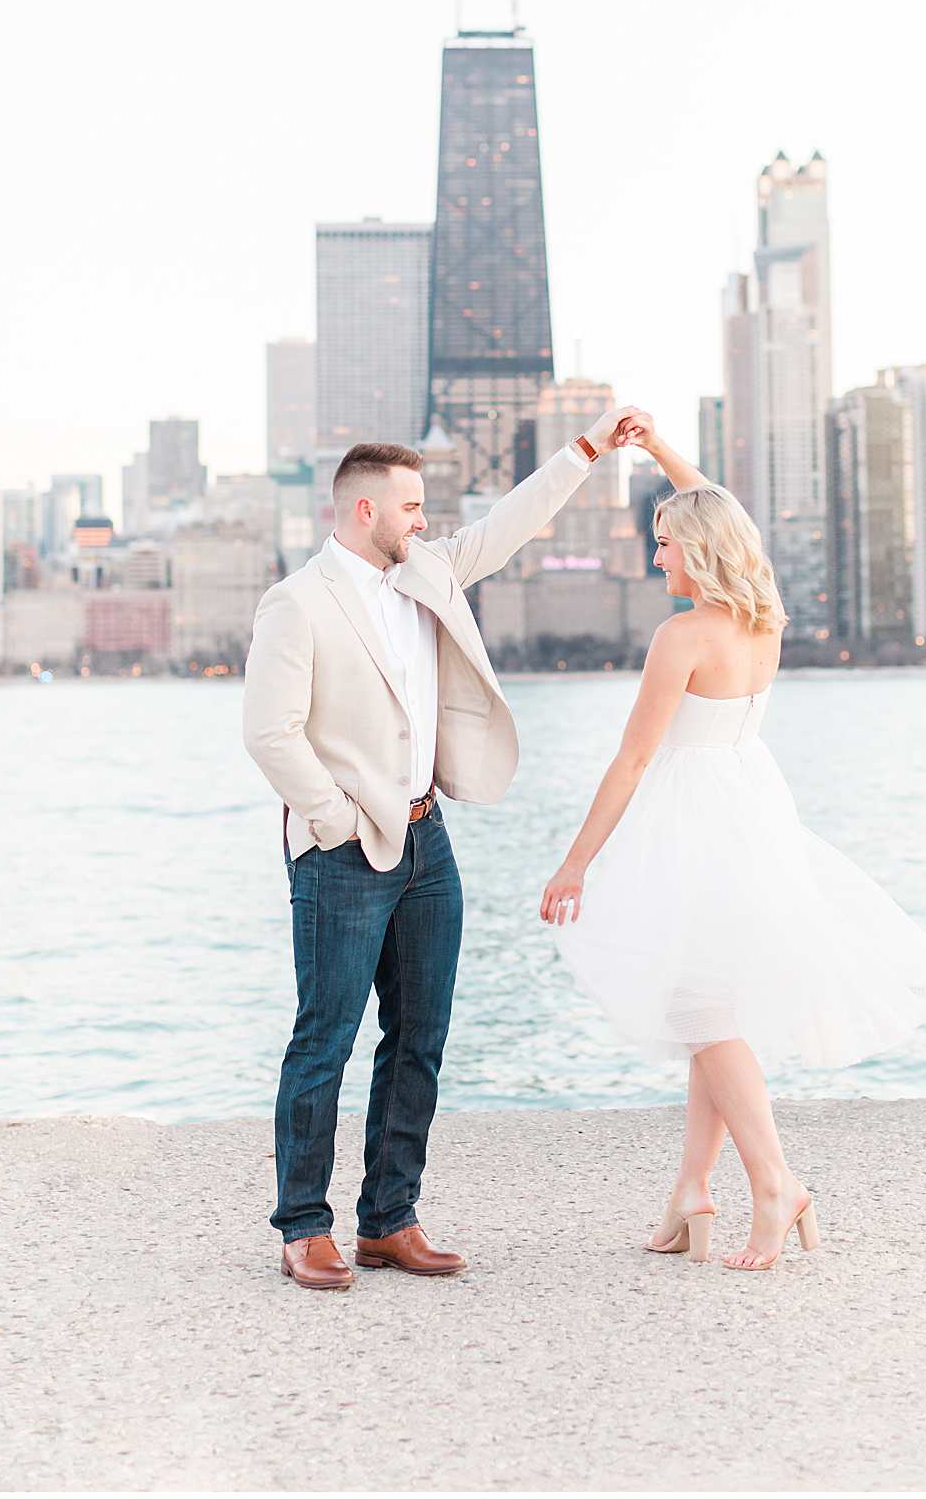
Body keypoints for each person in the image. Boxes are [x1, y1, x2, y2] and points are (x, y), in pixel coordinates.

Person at [541, 422, 926, 1271]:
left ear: (697, 552)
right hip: (751, 804)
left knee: (703, 1009)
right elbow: (725, 517)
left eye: (665, 546)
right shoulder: (761, 608)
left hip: (694, 816)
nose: (656, 557)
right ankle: (690, 1194)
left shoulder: (683, 638)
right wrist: (659, 452)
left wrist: (577, 860)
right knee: (713, 1005)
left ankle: (775, 1183)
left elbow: (632, 759)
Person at [243, 403, 646, 1291]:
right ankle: (303, 1227)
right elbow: (270, 734)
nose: (425, 520)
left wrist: (584, 451)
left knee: (420, 1035)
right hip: (342, 850)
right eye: (412, 507)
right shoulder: (296, 603)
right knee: (326, 1039)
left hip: (430, 843)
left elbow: (507, 527)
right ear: (364, 512)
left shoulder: (426, 570)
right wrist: (335, 817)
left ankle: (389, 1219)